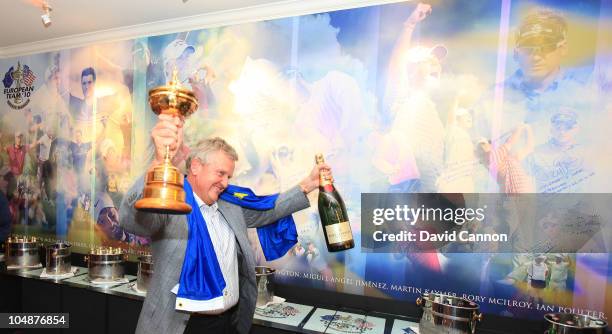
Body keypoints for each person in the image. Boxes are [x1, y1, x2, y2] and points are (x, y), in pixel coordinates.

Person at [119, 114, 331, 333]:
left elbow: (269, 210)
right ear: (196, 167)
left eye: (229, 176)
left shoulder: (230, 204)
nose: (225, 183)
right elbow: (132, 221)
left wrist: (309, 184)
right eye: (220, 174)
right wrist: (158, 162)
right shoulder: (171, 201)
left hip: (227, 323)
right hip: (181, 325)